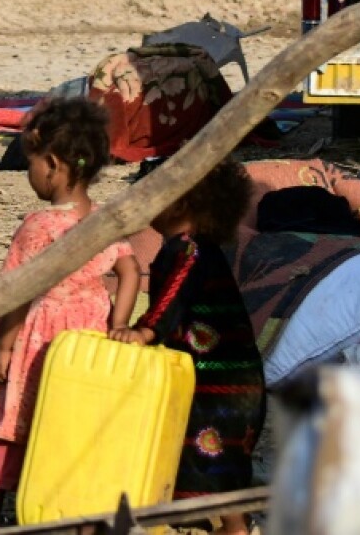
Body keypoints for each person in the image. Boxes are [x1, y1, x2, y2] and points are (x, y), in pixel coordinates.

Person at [0, 98, 141, 529]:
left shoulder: (38, 226)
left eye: (30, 163)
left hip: (40, 336)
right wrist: (119, 323)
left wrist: (5, 347)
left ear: (51, 164)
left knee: (15, 425)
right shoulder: (105, 220)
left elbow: (14, 294)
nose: (30, 173)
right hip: (88, 337)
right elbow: (130, 271)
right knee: (73, 427)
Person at [112, 158, 264, 535]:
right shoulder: (191, 247)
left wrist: (146, 332)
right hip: (221, 375)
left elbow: (172, 298)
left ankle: (235, 525)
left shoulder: (187, 251)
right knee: (204, 446)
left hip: (221, 382)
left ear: (179, 202)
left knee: (217, 451)